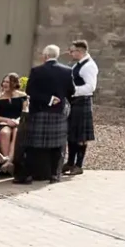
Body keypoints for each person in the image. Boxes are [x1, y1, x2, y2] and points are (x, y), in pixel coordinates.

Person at [18, 44, 76, 184]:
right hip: (58, 112)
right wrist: (59, 98)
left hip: (39, 111)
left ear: (45, 56)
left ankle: (28, 176)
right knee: (57, 145)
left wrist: (48, 99)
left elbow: (30, 91)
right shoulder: (67, 71)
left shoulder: (37, 71)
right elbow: (72, 91)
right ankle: (54, 175)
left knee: (33, 144)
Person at [64, 40, 98, 176]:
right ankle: (70, 162)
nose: (71, 53)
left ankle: (79, 165)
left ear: (80, 51)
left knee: (81, 136)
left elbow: (91, 87)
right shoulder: (78, 65)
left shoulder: (89, 66)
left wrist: (73, 90)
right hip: (75, 102)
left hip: (82, 101)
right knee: (72, 133)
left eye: (72, 51)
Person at [0, 74, 26, 174]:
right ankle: (6, 162)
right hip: (2, 122)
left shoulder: (22, 96)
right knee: (5, 132)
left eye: (8, 82)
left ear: (14, 84)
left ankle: (10, 161)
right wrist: (8, 120)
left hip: (18, 122)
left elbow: (25, 111)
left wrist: (17, 120)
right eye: (4, 81)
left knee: (17, 131)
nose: (5, 84)